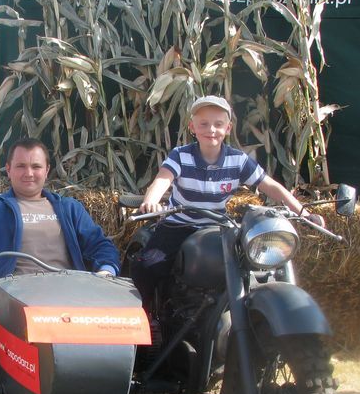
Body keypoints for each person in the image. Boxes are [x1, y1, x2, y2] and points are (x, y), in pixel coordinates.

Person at [130, 95, 325, 310]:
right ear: (192, 127)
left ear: (228, 128)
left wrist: (303, 213)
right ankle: (146, 316)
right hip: (179, 224)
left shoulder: (238, 160)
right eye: (203, 124)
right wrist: (151, 202)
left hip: (217, 228)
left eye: (218, 124)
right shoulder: (181, 156)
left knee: (251, 265)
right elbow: (162, 180)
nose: (211, 129)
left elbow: (271, 186)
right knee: (148, 266)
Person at [0, 137, 120, 315]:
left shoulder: (70, 209)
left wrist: (105, 273)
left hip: (70, 294)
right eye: (21, 166)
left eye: (36, 166)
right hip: (15, 297)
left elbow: (100, 245)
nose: (28, 173)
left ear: (47, 171)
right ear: (8, 169)